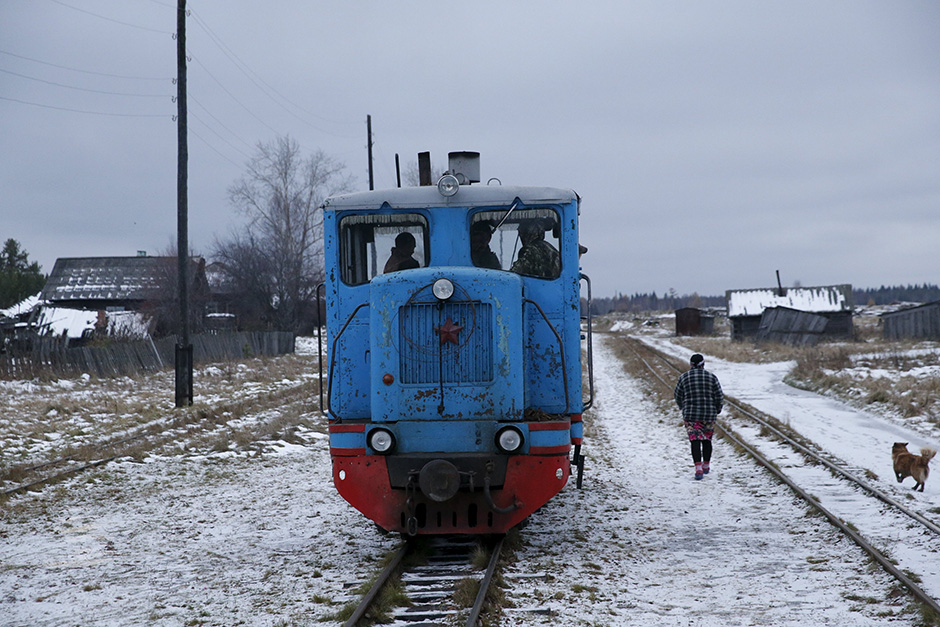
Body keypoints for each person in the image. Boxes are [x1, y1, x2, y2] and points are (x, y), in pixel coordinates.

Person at [674, 353, 723, 480]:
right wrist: (717, 409)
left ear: (691, 364)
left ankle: (698, 468)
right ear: (703, 364)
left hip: (691, 415)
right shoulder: (712, 377)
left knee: (695, 440)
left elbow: (678, 395)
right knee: (707, 439)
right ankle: (706, 465)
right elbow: (718, 395)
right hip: (708, 413)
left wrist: (682, 407)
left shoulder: (684, 377)